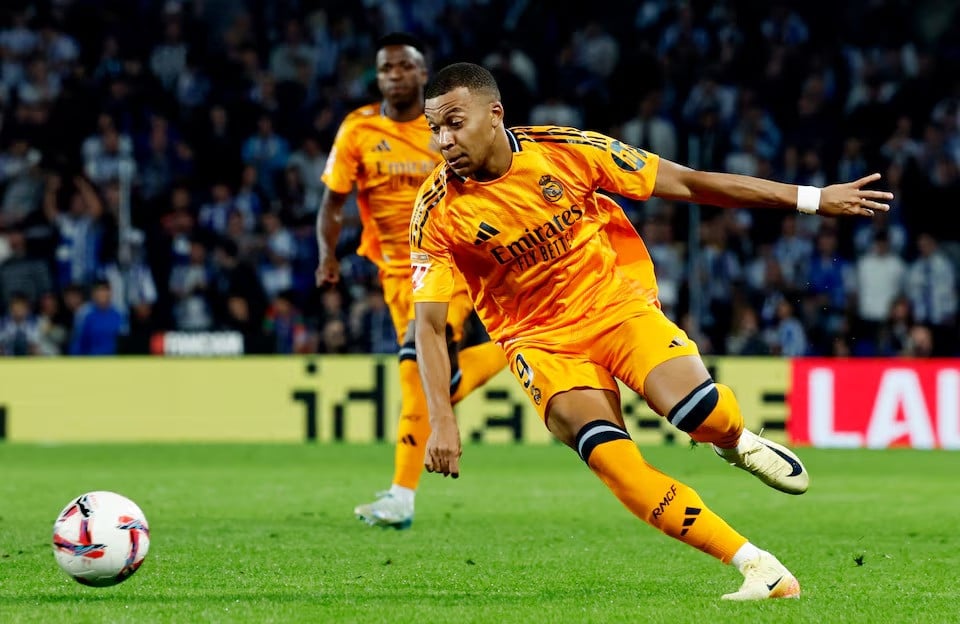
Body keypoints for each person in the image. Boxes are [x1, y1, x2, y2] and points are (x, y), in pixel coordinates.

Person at [410, 62, 892, 600]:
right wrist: (442, 421)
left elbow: (688, 182)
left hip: (615, 304)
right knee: (611, 458)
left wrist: (810, 198)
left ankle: (733, 441)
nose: (443, 140)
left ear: (495, 113)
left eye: (454, 122)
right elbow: (428, 327)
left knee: (700, 414)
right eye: (434, 129)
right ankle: (758, 566)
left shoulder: (568, 150)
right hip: (540, 342)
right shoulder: (435, 211)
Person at [316, 36, 505, 529]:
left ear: (424, 76)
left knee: (413, 366)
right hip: (398, 273)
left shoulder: (447, 127)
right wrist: (326, 255)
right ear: (378, 77)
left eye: (405, 66)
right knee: (439, 379)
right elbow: (333, 202)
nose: (395, 74)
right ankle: (517, 346)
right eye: (385, 68)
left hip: (454, 262)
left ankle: (401, 497)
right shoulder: (357, 130)